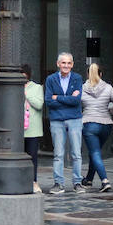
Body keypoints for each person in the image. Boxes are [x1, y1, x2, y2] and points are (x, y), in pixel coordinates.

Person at [43, 52, 84, 194]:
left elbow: (76, 101)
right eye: (63, 63)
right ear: (58, 64)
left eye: (69, 63)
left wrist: (58, 97)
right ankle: (58, 183)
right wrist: (67, 98)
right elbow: (48, 101)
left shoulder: (77, 78)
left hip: (75, 119)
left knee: (76, 153)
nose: (66, 65)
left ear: (72, 64)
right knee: (58, 154)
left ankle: (77, 183)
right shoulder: (50, 79)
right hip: (57, 120)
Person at [79, 63, 113, 192]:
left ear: (87, 75)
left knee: (95, 152)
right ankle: (89, 180)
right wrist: (111, 111)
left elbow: (76, 104)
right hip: (106, 125)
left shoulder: (82, 88)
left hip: (89, 123)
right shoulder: (108, 88)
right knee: (94, 151)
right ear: (100, 74)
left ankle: (104, 180)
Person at [22, 64, 45, 193]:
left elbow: (39, 104)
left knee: (32, 158)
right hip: (18, 129)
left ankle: (33, 181)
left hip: (33, 129)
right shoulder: (14, 87)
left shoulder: (36, 88)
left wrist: (26, 94)